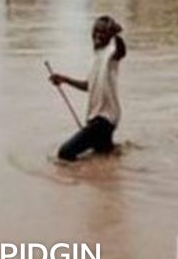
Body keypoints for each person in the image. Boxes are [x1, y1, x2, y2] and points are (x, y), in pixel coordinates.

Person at [50, 16, 126, 161]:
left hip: (104, 120)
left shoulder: (111, 54)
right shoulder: (95, 56)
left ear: (109, 35)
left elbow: (121, 52)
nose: (97, 35)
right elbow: (88, 86)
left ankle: (80, 180)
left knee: (65, 153)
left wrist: (117, 36)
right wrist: (64, 79)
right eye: (95, 31)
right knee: (103, 157)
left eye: (103, 32)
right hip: (96, 118)